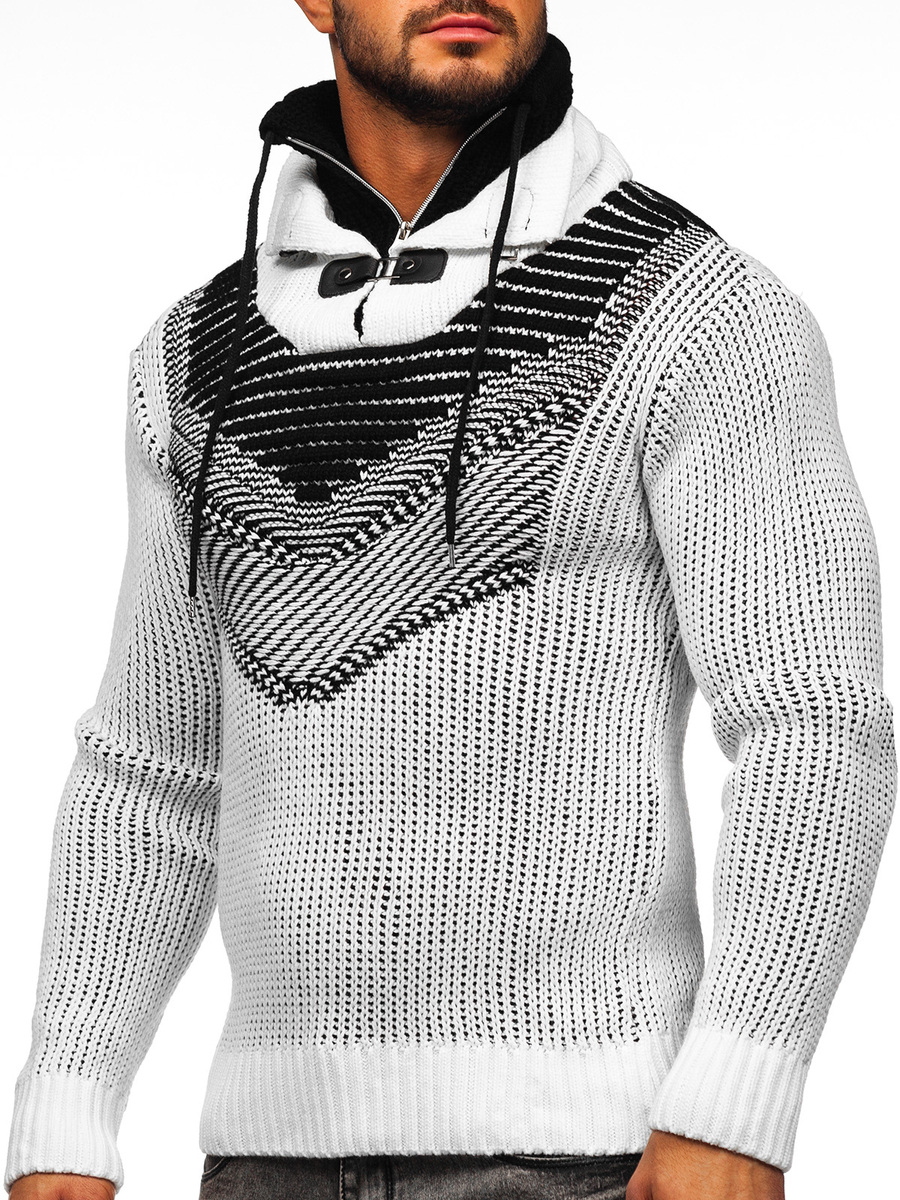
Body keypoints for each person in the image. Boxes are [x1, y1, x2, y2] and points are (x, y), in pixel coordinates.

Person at [4, 1, 896, 1198]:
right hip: (263, 1161)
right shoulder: (194, 355)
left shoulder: (694, 311)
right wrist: (64, 1111)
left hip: (588, 1156)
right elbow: (151, 770)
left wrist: (739, 1095)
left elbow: (813, 719)